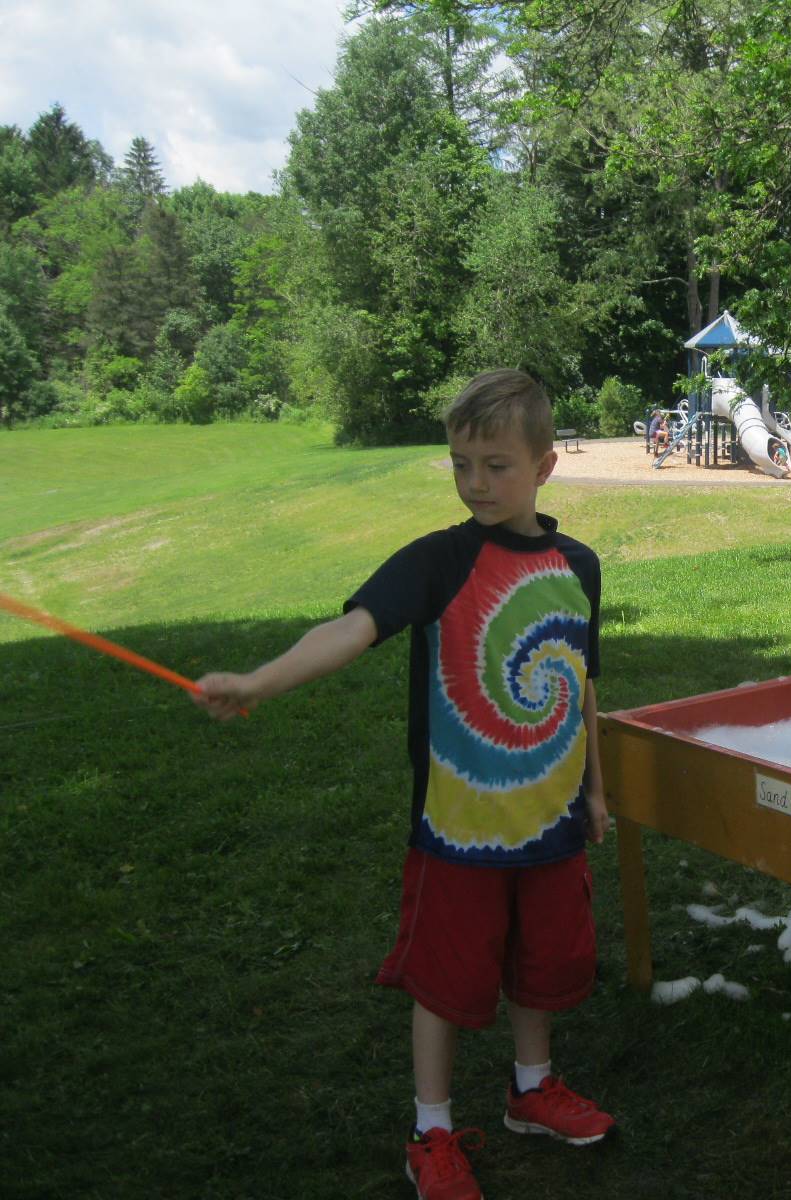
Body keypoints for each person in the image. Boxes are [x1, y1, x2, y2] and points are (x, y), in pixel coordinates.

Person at [192, 369, 614, 1200]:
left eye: (496, 464)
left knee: (540, 964)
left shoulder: (580, 566)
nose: (476, 484)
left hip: (552, 822)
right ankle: (431, 1130)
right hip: (458, 827)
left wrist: (595, 789)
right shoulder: (439, 560)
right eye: (461, 464)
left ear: (545, 465)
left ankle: (532, 1089)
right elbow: (352, 628)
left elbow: (583, 681)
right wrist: (260, 681)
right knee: (446, 979)